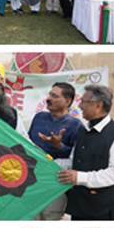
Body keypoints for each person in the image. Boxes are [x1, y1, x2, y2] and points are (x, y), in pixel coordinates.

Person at [58, 85, 114, 220]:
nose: (80, 106)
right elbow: (73, 161)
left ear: (98, 105)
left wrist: (80, 177)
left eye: (83, 102)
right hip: (79, 207)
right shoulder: (82, 130)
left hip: (102, 211)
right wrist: (50, 163)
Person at [29, 82, 81, 220]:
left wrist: (58, 146)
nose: (49, 99)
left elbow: (76, 158)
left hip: (55, 183)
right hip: (31, 180)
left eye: (54, 96)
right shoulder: (39, 117)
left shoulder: (76, 125)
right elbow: (27, 143)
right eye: (49, 95)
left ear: (67, 101)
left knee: (49, 219)